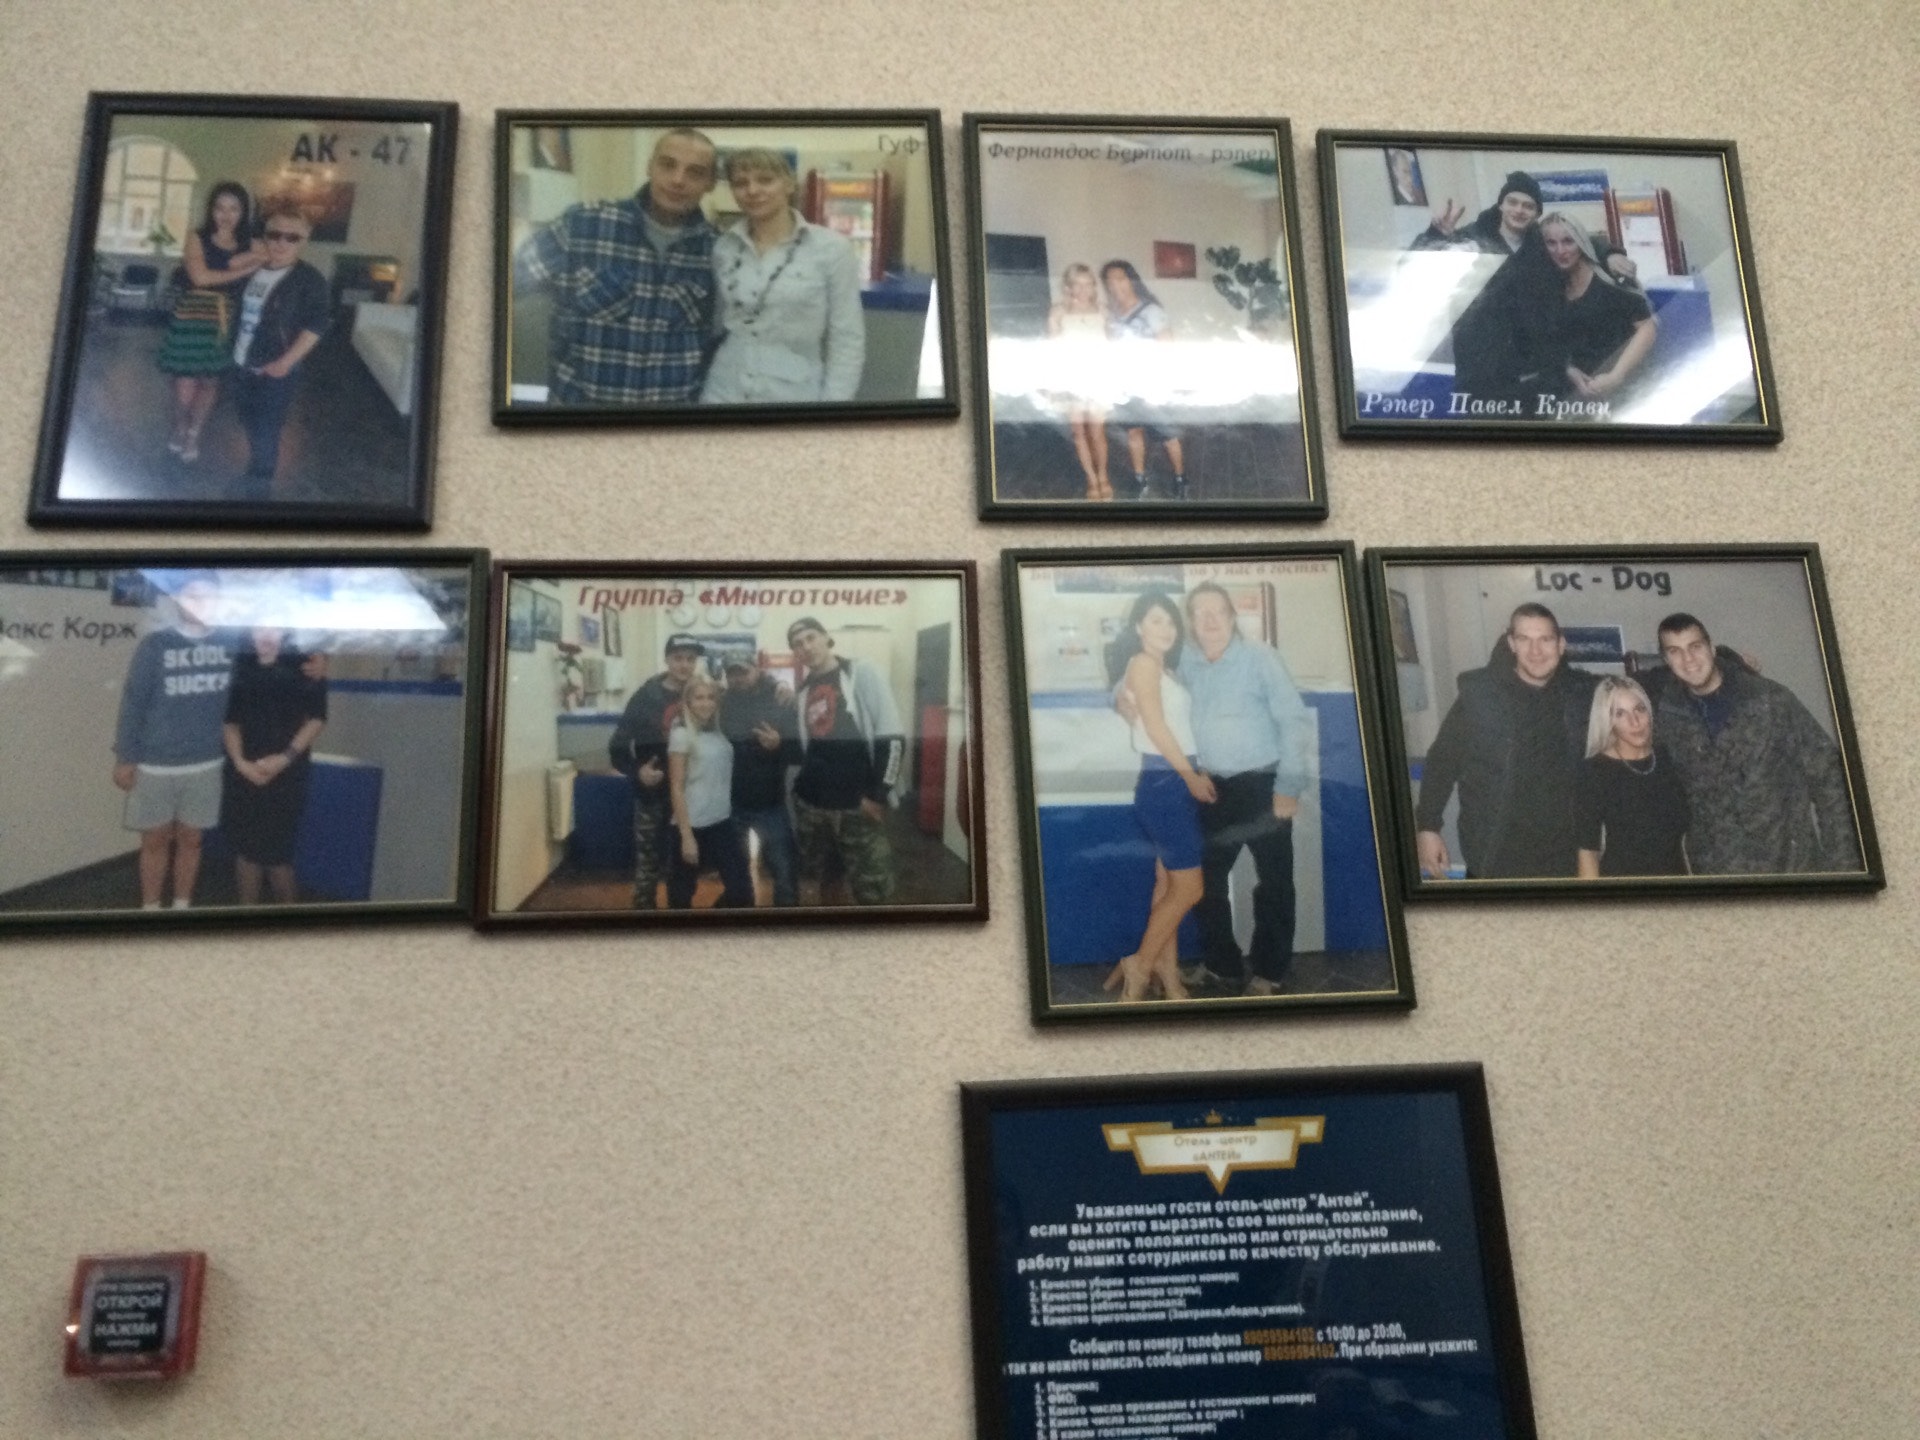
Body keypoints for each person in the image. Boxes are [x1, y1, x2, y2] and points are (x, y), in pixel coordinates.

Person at [1123, 585, 1312, 995]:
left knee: (1274, 882)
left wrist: (1289, 786)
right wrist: (1121, 699)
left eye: (1218, 611)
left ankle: (1270, 971)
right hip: (1210, 788)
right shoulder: (1185, 659)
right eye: (1199, 613)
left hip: (1264, 785)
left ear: (1232, 616)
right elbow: (1140, 676)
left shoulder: (1260, 657)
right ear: (1190, 621)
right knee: (1203, 883)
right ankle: (1221, 965)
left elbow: (1294, 721)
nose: (1209, 620)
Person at [514, 127, 720, 406]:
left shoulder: (718, 251)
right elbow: (504, 285)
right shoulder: (582, 225)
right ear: (650, 166)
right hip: (581, 416)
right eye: (667, 164)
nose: (677, 180)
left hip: (670, 422)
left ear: (710, 183)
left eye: (695, 172)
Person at [1651, 613, 1864, 875]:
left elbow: (1829, 777)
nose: (1688, 659)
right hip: (1718, 873)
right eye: (1675, 651)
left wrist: (1844, 865)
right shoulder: (1668, 716)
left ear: (1712, 648)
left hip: (1791, 866)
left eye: (1695, 646)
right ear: (1665, 660)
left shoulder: (1769, 701)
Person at [1415, 603, 1598, 880]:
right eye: (1524, 639)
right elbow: (1443, 760)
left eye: (1545, 639)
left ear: (1561, 645)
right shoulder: (1479, 695)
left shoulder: (1583, 693)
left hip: (1566, 856)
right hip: (1494, 854)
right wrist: (1428, 828)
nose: (1535, 651)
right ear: (1511, 643)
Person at [1104, 593, 1214, 1002]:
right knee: (1190, 889)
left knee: (1167, 886)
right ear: (1138, 627)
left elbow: (1150, 709)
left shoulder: (1164, 667)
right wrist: (1190, 776)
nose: (1166, 629)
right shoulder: (1144, 664)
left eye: (1170, 621)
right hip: (1167, 782)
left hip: (1169, 782)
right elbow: (1154, 725)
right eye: (1155, 621)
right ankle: (1140, 964)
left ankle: (1168, 976)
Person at [700, 148, 864, 404]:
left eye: (765, 180)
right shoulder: (724, 247)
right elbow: (717, 323)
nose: (752, 190)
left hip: (793, 395)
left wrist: (834, 407)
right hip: (723, 391)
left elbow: (847, 338)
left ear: (789, 184)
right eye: (741, 183)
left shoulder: (831, 249)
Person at [111, 574, 232, 910]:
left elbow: (276, 649)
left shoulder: (232, 645)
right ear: (178, 599)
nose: (200, 603)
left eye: (209, 596)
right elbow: (133, 704)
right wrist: (125, 757)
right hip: (156, 764)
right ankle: (150, 909)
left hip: (205, 764)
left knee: (192, 842)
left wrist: (319, 659)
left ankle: (182, 908)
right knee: (154, 841)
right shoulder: (155, 646)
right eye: (192, 595)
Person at [787, 616, 904, 905]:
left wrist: (878, 795)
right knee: (826, 880)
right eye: (798, 644)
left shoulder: (861, 672)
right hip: (812, 806)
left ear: (826, 638)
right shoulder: (803, 691)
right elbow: (807, 747)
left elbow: (892, 738)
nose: (806, 647)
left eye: (811, 638)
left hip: (857, 806)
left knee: (874, 890)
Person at [157, 182, 263, 463]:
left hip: (227, 318)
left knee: (209, 381)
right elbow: (200, 278)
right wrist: (245, 268)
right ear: (211, 210)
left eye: (234, 209)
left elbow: (268, 257)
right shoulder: (197, 237)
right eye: (220, 208)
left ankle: (194, 433)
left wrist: (241, 262)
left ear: (244, 212)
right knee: (183, 381)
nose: (226, 215)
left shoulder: (252, 243)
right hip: (192, 315)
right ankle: (180, 425)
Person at [220, 627, 328, 904]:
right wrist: (240, 763)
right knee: (246, 854)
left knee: (278, 859)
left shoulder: (307, 665)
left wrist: (284, 759)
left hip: (287, 775)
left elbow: (317, 718)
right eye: (259, 627)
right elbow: (230, 722)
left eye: (274, 628)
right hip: (244, 774)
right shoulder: (239, 665)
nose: (266, 635)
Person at [229, 206, 329, 498]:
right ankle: (255, 473)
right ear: (265, 236)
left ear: (304, 241)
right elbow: (231, 265)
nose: (281, 242)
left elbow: (316, 326)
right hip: (242, 363)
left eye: (292, 237)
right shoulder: (253, 270)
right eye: (274, 235)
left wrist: (285, 363)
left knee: (266, 430)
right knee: (249, 421)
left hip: (276, 369)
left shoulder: (309, 279)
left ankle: (258, 493)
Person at [609, 633, 702, 908]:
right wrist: (637, 771)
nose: (684, 665)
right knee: (648, 865)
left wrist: (779, 684)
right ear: (667, 659)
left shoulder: (701, 692)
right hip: (653, 796)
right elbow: (617, 746)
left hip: (690, 796)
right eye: (678, 658)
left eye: (690, 659)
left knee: (683, 863)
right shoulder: (646, 696)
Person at [1575, 675, 1689, 878]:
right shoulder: (1594, 771)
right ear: (1608, 721)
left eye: (1639, 709)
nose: (1634, 721)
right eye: (1620, 714)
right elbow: (1587, 851)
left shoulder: (1668, 757)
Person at [1539, 211, 1656, 405]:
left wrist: (1616, 375)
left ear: (1581, 242)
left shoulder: (1610, 275)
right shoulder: (1549, 286)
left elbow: (1646, 327)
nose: (1560, 250)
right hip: (1582, 393)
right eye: (1551, 243)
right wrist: (1567, 369)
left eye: (1568, 241)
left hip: (1629, 389)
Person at [1101, 259, 1187, 500]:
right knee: (1134, 433)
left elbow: (1168, 350)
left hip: (1152, 387)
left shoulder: (1151, 311)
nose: (1115, 285)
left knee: (1168, 435)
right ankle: (1140, 480)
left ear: (1132, 280)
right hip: (1126, 387)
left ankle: (1181, 479)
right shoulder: (1113, 315)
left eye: (1120, 279)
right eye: (1110, 282)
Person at [666, 677, 754, 908]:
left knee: (741, 892)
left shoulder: (717, 731)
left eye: (710, 697)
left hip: (721, 823)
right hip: (691, 825)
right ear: (688, 702)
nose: (706, 703)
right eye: (699, 698)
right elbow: (676, 787)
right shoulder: (681, 734)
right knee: (680, 897)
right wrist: (687, 837)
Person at [720, 656, 799, 906]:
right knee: (736, 876)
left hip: (771, 804)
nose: (738, 678)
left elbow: (800, 750)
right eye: (732, 673)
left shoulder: (780, 698)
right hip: (731, 805)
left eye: (743, 671)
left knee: (785, 874)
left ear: (757, 670)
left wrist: (779, 744)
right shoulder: (720, 702)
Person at [1046, 262, 1111, 500]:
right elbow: (1053, 351)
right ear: (1069, 287)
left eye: (1088, 284)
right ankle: (1091, 480)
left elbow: (1110, 349)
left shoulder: (1102, 311)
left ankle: (1103, 476)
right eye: (1077, 284)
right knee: (1078, 433)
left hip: (1097, 380)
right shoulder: (1058, 312)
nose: (1083, 289)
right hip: (1070, 379)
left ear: (1094, 286)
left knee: (1097, 433)